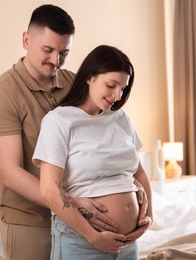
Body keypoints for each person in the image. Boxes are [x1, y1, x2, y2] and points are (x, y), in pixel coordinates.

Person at [0, 5, 148, 259]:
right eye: (48, 50)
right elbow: (10, 173)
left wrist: (124, 179)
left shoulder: (74, 82)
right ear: (26, 40)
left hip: (84, 217)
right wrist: (69, 202)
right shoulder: (3, 95)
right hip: (29, 220)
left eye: (64, 52)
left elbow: (99, 140)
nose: (56, 60)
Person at [32, 45, 153, 259]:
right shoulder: (59, 121)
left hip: (127, 244)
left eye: (123, 89)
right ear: (90, 77)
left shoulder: (121, 119)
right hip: (82, 241)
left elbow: (140, 174)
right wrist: (93, 236)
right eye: (111, 85)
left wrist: (148, 216)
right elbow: (49, 189)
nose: (117, 95)